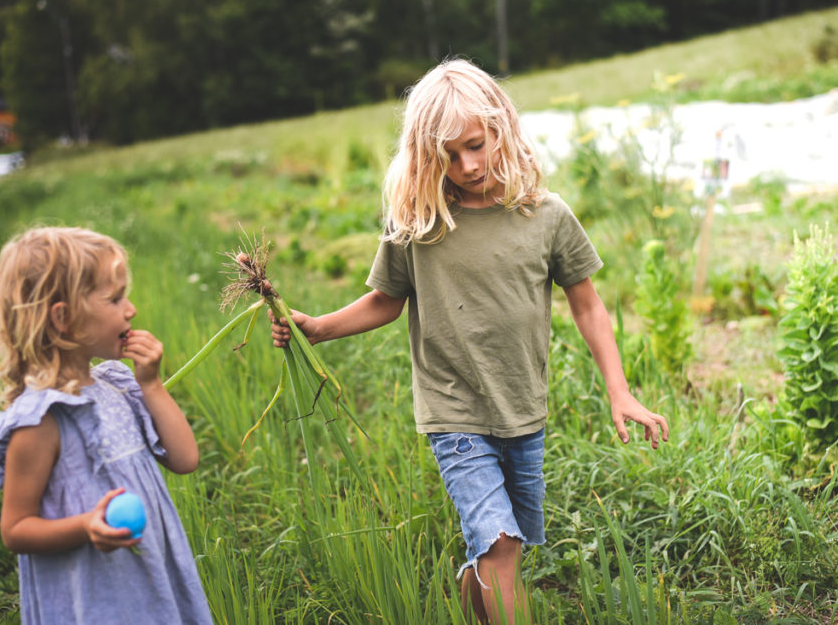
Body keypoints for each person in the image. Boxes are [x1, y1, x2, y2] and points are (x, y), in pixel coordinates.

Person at [271, 58, 669, 624]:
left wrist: (620, 391)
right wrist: (319, 328)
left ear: (502, 128)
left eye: (476, 146)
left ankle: (471, 590)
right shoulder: (419, 223)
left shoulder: (545, 215)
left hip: (523, 409)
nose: (467, 165)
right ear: (425, 156)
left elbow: (588, 304)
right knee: (502, 544)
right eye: (448, 156)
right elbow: (387, 300)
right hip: (453, 415)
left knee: (505, 550)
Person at [0, 227, 212, 625]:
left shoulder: (116, 385)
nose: (130, 309)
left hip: (150, 578)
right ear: (64, 318)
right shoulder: (43, 420)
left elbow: (185, 458)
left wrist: (150, 382)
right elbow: (15, 529)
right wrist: (86, 527)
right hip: (93, 595)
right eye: (115, 299)